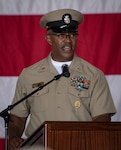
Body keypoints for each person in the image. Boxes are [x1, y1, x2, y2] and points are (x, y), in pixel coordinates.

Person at [8, 9, 116, 149]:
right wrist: (14, 137)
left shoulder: (94, 75)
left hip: (80, 146)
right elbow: (17, 118)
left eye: (72, 35)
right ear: (48, 38)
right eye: (60, 35)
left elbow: (102, 118)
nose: (67, 40)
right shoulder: (29, 75)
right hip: (40, 147)